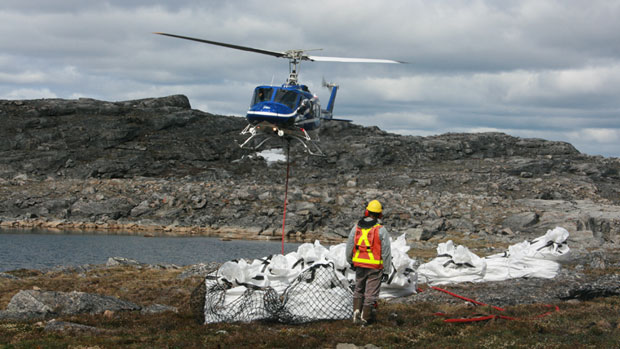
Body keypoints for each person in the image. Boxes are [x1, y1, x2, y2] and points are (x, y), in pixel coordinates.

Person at [346, 199, 392, 325]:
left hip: (359, 265)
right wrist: (387, 270)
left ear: (367, 212)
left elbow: (350, 245)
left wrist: (350, 261)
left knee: (359, 289)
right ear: (380, 215)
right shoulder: (381, 230)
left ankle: (356, 312)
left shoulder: (356, 228)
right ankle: (365, 319)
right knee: (371, 293)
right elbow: (386, 252)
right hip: (375, 267)